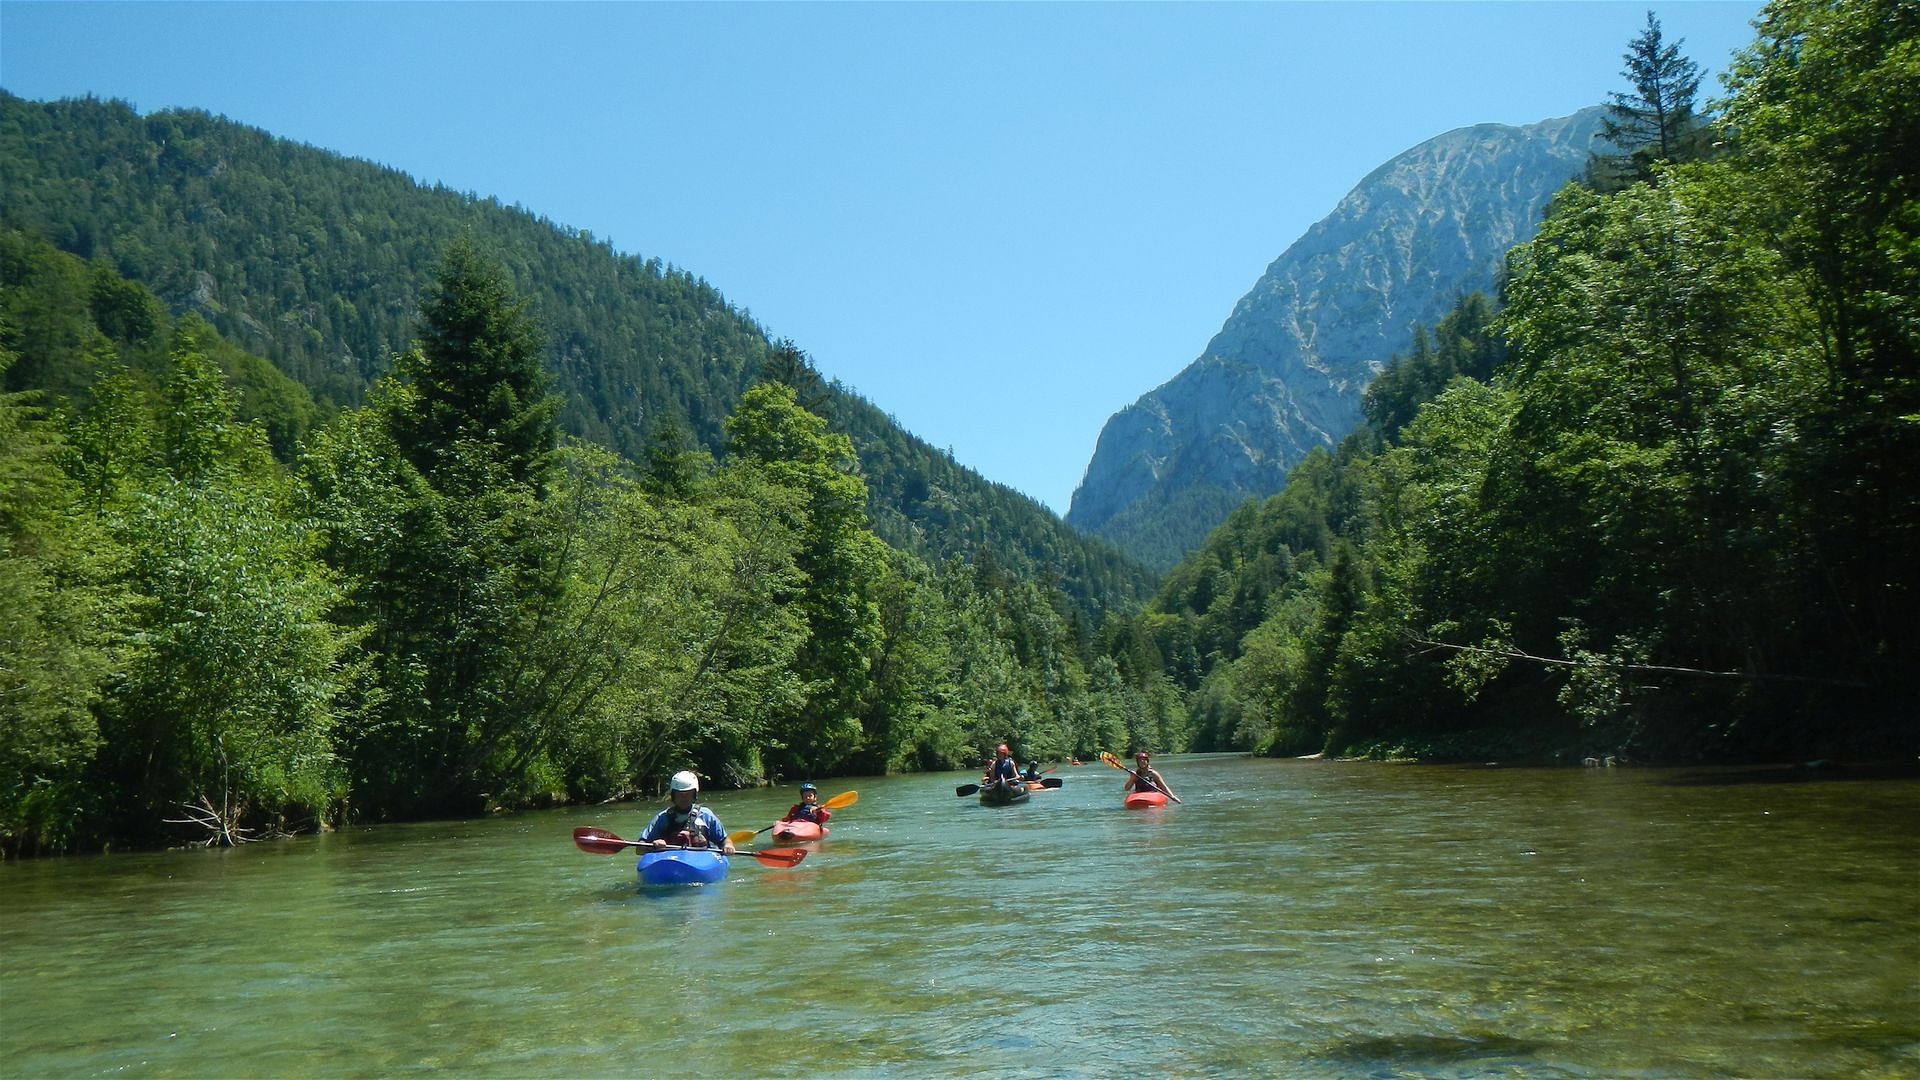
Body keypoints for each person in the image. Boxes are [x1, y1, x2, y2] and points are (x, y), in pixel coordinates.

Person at [642, 770, 737, 853]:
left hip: (700, 861)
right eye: (680, 794)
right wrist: (653, 845)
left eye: (688, 794)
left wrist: (728, 845)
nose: (683, 798)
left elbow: (724, 840)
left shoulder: (706, 815)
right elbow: (640, 848)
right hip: (670, 861)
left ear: (694, 794)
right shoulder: (662, 818)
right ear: (673, 795)